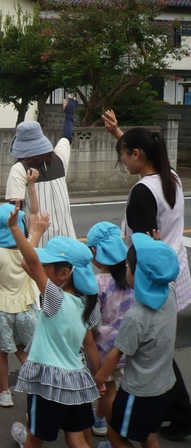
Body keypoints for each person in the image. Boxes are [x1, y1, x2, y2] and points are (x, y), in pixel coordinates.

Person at [103, 111, 191, 441]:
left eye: (124, 155)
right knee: (161, 346)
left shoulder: (143, 192)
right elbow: (144, 153)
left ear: (136, 155)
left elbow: (138, 248)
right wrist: (119, 134)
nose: (123, 162)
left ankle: (178, 412)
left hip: (152, 280)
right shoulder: (172, 176)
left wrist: (121, 276)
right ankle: (180, 413)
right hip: (173, 271)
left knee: (151, 349)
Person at [6, 206, 101, 448]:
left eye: (48, 264)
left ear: (64, 273)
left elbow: (30, 262)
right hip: (78, 379)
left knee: (34, 438)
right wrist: (98, 378)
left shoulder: (55, 298)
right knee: (77, 438)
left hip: (48, 382)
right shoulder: (87, 303)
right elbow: (90, 345)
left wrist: (17, 228)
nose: (42, 267)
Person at [94, 233, 179, 448]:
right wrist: (155, 247)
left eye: (129, 268)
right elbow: (163, 270)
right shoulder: (170, 293)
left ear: (138, 275)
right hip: (165, 385)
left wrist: (100, 378)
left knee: (115, 435)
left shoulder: (137, 316)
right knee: (148, 435)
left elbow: (117, 353)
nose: (127, 271)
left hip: (138, 393)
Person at [0, 201, 44, 409]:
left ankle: (4, 392)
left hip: (3, 308)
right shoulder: (29, 249)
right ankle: (40, 384)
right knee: (25, 349)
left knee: (1, 351)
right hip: (28, 307)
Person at [5, 95, 79, 246]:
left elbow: (15, 211)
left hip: (37, 245)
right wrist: (70, 111)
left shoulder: (19, 169)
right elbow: (67, 135)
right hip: (67, 241)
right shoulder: (59, 158)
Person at [85, 221, 134, 438]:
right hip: (128, 343)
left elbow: (93, 323)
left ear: (94, 252)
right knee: (113, 387)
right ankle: (99, 419)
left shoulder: (97, 284)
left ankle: (116, 436)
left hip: (105, 349)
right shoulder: (130, 277)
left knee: (107, 391)